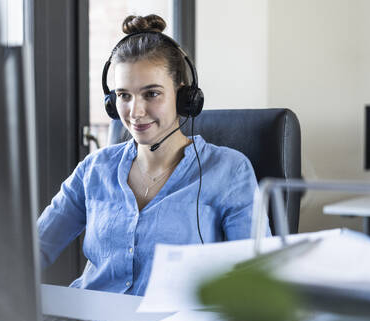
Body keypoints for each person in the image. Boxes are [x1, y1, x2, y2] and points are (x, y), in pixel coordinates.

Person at [37, 14, 270, 296]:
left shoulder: (228, 171)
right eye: (124, 95)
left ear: (183, 96)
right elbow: (36, 249)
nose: (135, 112)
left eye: (151, 94)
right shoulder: (95, 169)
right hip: (91, 319)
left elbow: (258, 276)